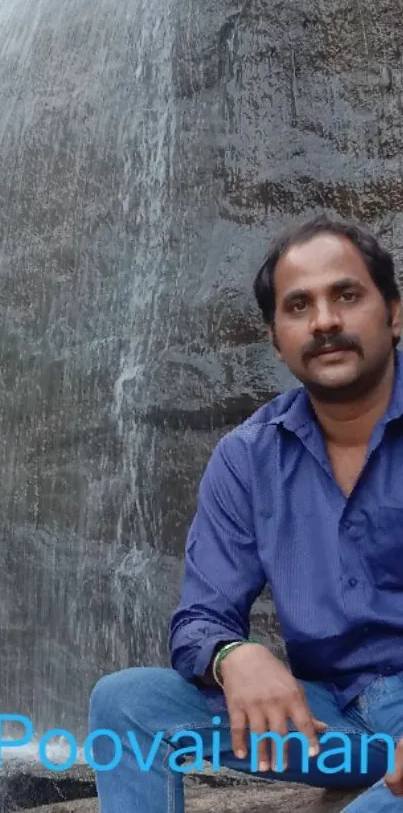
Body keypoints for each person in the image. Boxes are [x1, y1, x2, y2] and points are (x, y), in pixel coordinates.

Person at [88, 213, 403, 812]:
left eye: (346, 295)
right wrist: (234, 656)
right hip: (328, 721)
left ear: (393, 313)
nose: (325, 321)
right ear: (276, 338)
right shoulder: (247, 458)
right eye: (298, 306)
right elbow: (200, 619)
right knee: (124, 701)